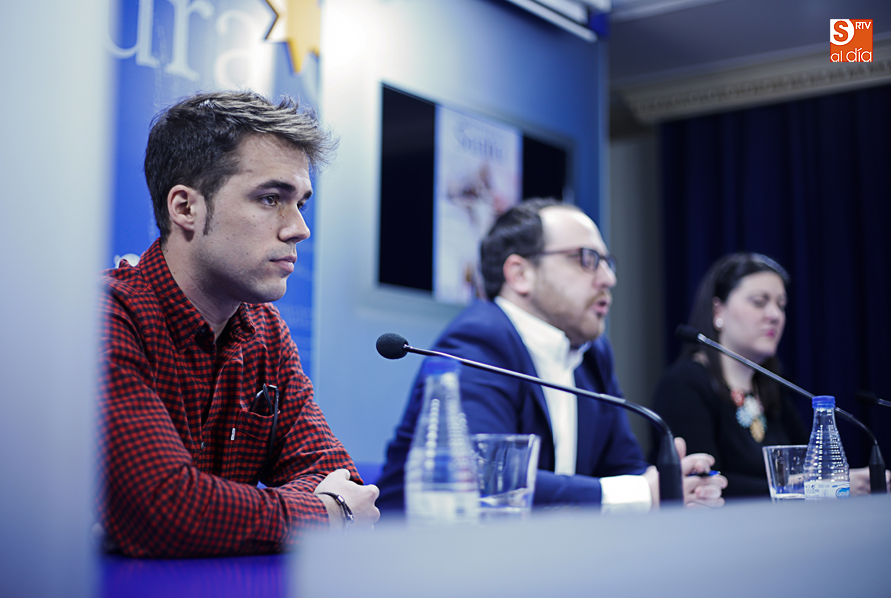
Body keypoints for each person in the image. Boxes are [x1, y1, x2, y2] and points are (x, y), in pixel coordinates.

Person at [97, 91, 380, 558]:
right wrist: (327, 514)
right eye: (271, 199)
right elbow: (165, 511)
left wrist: (321, 505)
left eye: (301, 204)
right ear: (185, 208)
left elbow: (339, 477)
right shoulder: (106, 316)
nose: (299, 229)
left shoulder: (266, 332)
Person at [376, 199, 726, 512]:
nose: (607, 279)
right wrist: (639, 493)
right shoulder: (478, 340)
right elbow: (484, 478)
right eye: (587, 260)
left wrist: (674, 486)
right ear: (520, 274)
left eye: (607, 263)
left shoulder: (592, 352)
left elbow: (624, 467)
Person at [651, 253, 885, 498]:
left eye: (781, 305)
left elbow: (812, 467)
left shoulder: (773, 388)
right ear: (717, 311)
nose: (775, 315)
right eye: (760, 302)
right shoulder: (683, 384)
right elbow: (704, 485)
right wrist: (802, 487)